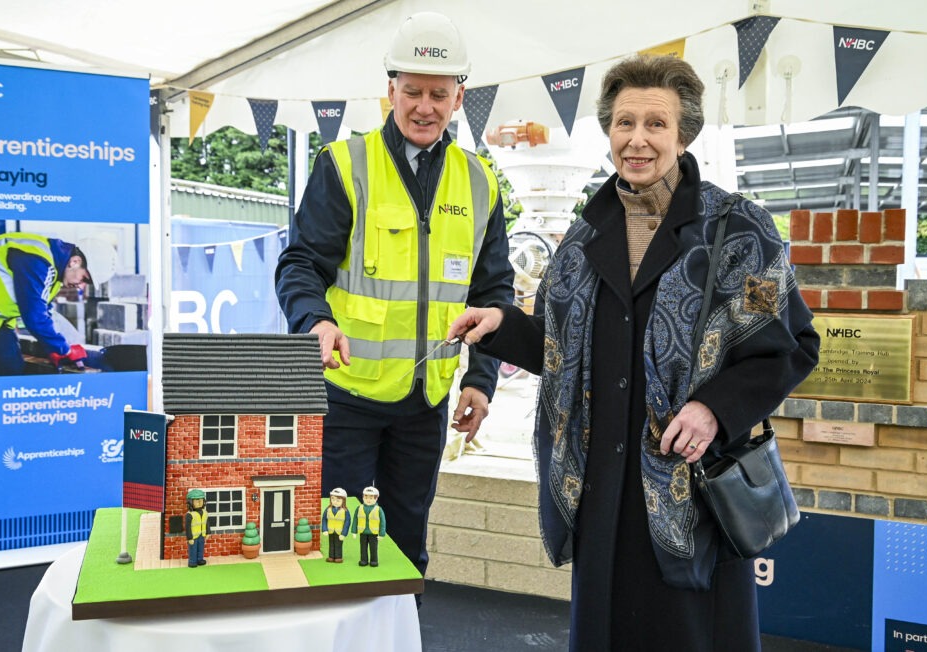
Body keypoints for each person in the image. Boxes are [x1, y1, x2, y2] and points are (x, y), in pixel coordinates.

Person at [447, 55, 820, 651]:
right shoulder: (583, 237)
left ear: (683, 134)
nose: (637, 140)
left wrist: (715, 410)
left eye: (655, 124)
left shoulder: (737, 230)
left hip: (689, 490)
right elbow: (562, 347)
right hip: (602, 492)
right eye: (624, 123)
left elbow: (789, 346)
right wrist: (501, 326)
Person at [275, 11, 514, 579]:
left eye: (438, 93)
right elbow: (301, 264)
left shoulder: (482, 182)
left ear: (460, 96)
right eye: (412, 92)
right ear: (390, 91)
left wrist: (480, 380)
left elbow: (494, 293)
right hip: (347, 397)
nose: (424, 106)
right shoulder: (343, 165)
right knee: (341, 545)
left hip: (425, 400)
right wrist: (315, 321)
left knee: (406, 544)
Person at [0, 232, 93, 377]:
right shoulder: (37, 259)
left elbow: (44, 312)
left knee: (10, 366)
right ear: (75, 261)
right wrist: (65, 349)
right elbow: (34, 317)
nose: (80, 287)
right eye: (83, 279)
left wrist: (53, 347)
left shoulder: (54, 274)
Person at [351, 486, 386, 567]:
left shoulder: (378, 509)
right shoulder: (359, 508)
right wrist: (354, 531)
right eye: (366, 497)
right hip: (363, 532)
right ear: (363, 497)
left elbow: (382, 522)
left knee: (373, 548)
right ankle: (363, 560)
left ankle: (374, 560)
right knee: (363, 547)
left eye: (371, 498)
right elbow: (355, 519)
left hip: (373, 533)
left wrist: (381, 534)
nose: (368, 500)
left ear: (376, 498)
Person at [321, 487, 351, 563]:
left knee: (338, 544)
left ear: (343, 501)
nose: (335, 502)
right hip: (330, 531)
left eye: (338, 500)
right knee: (331, 544)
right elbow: (324, 519)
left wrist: (344, 534)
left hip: (339, 532)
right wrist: (324, 529)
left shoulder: (345, 511)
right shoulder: (328, 509)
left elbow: (347, 522)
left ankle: (338, 557)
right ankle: (331, 556)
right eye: (333, 499)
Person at [184, 489, 208, 568]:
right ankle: (192, 561)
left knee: (201, 548)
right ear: (191, 502)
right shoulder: (189, 515)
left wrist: (208, 532)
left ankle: (200, 559)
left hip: (202, 534)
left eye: (201, 500)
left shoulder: (204, 512)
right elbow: (187, 528)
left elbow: (206, 522)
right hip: (193, 536)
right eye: (197, 501)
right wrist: (189, 538)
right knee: (193, 549)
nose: (199, 502)